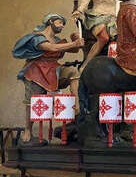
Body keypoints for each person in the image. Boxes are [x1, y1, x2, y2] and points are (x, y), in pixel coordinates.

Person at [12, 13, 84, 144]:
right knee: (32, 101)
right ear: (50, 22)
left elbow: (73, 50)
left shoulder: (57, 40)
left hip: (54, 69)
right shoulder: (38, 38)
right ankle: (28, 129)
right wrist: (74, 43)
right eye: (59, 22)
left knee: (73, 71)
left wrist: (77, 41)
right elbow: (51, 48)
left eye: (63, 24)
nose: (62, 26)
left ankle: (78, 111)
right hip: (37, 70)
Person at [72, 0, 136, 71]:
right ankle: (85, 65)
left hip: (112, 19)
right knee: (104, 38)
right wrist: (80, 10)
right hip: (98, 16)